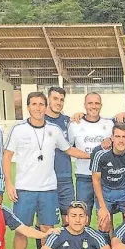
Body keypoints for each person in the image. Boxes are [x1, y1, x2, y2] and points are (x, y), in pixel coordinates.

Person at [3, 92, 90, 249]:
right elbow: (7, 156)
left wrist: (92, 155)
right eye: (34, 104)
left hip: (49, 189)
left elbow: (68, 149)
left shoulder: (54, 130)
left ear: (46, 106)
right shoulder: (19, 130)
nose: (38, 108)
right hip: (24, 189)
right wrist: (9, 183)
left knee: (47, 229)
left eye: (41, 104)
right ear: (28, 107)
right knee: (22, 229)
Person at [90, 123, 125, 237]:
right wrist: (103, 207)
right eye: (118, 136)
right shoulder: (100, 154)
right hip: (105, 191)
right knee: (104, 224)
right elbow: (96, 180)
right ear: (112, 138)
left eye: (124, 137)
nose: (121, 141)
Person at [68, 92, 114, 219]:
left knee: (105, 218)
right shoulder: (74, 124)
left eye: (97, 103)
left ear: (101, 105)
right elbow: (68, 148)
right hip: (84, 177)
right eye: (90, 103)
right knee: (82, 217)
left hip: (104, 177)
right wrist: (92, 156)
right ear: (84, 105)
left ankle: (106, 240)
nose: (93, 106)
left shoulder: (109, 124)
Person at [44, 87, 75, 223]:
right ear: (48, 99)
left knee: (68, 219)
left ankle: (67, 245)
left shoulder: (69, 122)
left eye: (61, 100)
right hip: (44, 178)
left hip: (65, 178)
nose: (58, 102)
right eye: (55, 99)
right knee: (45, 222)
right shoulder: (39, 121)